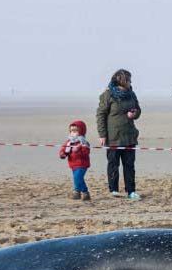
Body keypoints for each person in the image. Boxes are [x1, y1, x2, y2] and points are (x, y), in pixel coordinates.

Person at [96, 69, 142, 200]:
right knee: (113, 163)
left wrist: (134, 114)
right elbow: (100, 115)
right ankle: (114, 189)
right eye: (128, 79)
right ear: (120, 80)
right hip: (113, 137)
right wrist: (102, 134)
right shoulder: (108, 95)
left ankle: (131, 191)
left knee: (129, 165)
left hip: (129, 135)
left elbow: (138, 109)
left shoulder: (131, 94)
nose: (130, 82)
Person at [59, 120, 91, 200]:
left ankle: (79, 192)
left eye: (75, 131)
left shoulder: (84, 142)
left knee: (77, 177)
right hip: (73, 164)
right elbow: (63, 149)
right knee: (78, 178)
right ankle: (83, 193)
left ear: (81, 131)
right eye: (71, 131)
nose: (73, 133)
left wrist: (80, 148)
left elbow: (86, 152)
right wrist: (62, 154)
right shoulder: (69, 142)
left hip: (82, 164)